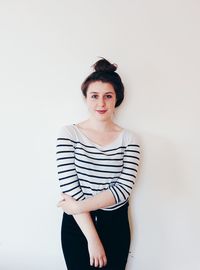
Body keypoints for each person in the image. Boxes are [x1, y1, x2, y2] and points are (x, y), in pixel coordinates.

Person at [56, 57, 141, 270]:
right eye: (94, 96)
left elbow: (123, 190)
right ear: (86, 98)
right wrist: (92, 239)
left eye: (108, 96)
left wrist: (77, 206)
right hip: (79, 225)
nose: (101, 103)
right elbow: (70, 187)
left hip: (116, 223)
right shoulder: (69, 133)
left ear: (117, 100)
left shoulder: (129, 139)